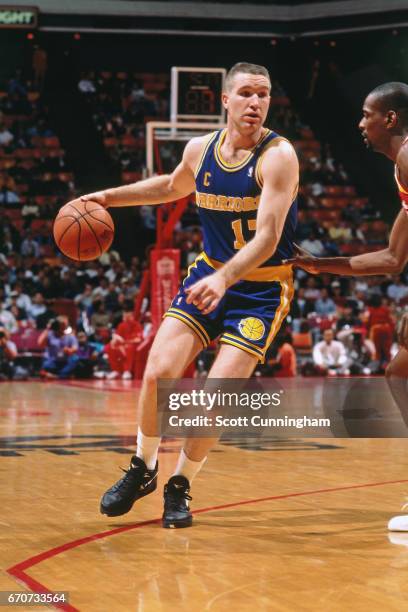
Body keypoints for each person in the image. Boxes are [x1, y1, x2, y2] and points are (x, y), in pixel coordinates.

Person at [80, 62, 299, 528]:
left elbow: (267, 237)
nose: (255, 103)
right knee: (158, 371)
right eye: (245, 93)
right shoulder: (200, 150)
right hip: (209, 276)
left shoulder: (279, 156)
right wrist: (106, 197)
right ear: (225, 100)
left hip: (260, 291)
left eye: (263, 94)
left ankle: (179, 485)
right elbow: (169, 186)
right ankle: (143, 468)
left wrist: (226, 281)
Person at [285, 81, 408, 531]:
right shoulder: (402, 169)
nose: (360, 123)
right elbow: (394, 258)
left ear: (390, 119)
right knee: (400, 371)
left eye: (366, 114)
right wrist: (322, 265)